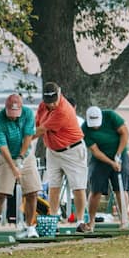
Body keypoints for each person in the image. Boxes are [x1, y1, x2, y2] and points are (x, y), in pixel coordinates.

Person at [0, 94, 41, 237]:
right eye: (11, 113)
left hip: (26, 155)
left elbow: (28, 137)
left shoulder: (28, 113)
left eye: (16, 114)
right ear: (6, 109)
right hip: (6, 156)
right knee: (0, 193)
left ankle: (30, 227)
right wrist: (13, 167)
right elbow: (2, 146)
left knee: (32, 192)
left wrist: (21, 159)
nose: (13, 117)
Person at [35, 82, 89, 232]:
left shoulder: (64, 110)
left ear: (59, 94)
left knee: (78, 187)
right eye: (48, 102)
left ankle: (80, 221)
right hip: (53, 151)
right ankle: (53, 220)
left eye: (53, 101)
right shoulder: (42, 106)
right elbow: (37, 123)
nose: (51, 105)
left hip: (73, 150)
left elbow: (40, 130)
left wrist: (23, 142)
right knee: (53, 186)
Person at [81, 106, 129, 231]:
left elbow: (125, 133)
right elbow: (95, 151)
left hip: (120, 154)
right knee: (96, 190)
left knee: (121, 189)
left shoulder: (111, 116)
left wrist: (118, 155)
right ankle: (91, 221)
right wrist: (111, 162)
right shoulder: (85, 128)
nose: (95, 127)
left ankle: (124, 220)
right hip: (100, 159)